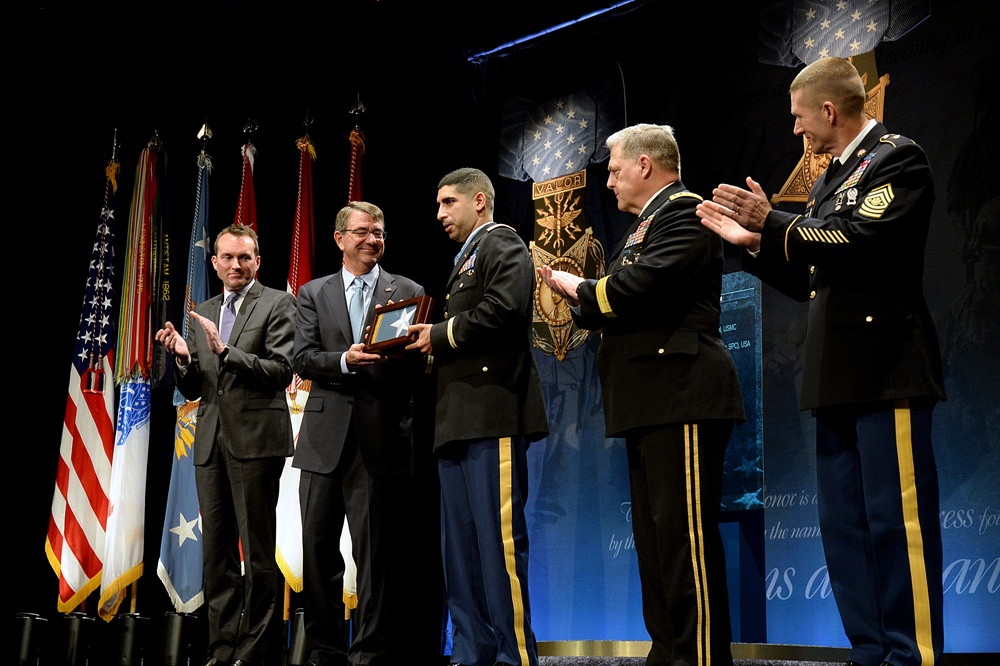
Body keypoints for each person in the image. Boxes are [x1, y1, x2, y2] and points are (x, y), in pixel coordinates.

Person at [695, 56, 946, 666]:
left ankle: (911, 656)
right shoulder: (830, 178)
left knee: (896, 524)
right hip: (835, 373)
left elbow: (860, 238)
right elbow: (814, 272)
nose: (796, 129)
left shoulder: (896, 157)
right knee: (846, 530)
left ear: (828, 110)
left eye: (799, 117)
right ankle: (869, 651)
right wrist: (753, 243)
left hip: (887, 369)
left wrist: (774, 221)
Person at [537, 123, 746, 666]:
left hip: (683, 391)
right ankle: (669, 649)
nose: (608, 183)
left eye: (614, 170)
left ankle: (699, 656)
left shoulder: (685, 210)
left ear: (645, 165)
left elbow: (641, 287)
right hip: (650, 397)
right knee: (655, 539)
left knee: (683, 538)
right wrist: (578, 295)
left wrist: (577, 287)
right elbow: (619, 301)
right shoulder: (644, 225)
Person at [407, 167, 549, 666]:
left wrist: (440, 334)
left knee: (499, 549)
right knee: (461, 556)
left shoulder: (500, 242)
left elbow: (505, 308)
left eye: (449, 203)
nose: (440, 214)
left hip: (493, 415)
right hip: (457, 421)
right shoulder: (464, 258)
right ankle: (472, 654)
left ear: (480, 201)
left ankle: (516, 658)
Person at [291, 201, 431, 666]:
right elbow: (303, 357)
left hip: (380, 438)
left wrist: (398, 357)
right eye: (363, 232)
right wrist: (346, 360)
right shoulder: (312, 293)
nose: (373, 239)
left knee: (376, 559)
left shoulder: (407, 290)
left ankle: (370, 652)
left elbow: (417, 367)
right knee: (318, 553)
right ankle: (326, 651)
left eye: (379, 232)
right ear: (339, 239)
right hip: (323, 442)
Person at [156, 223, 296, 666]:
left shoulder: (279, 303)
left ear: (258, 261)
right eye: (228, 258)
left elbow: (280, 369)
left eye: (245, 258)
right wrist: (183, 358)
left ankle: (254, 654)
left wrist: (224, 352)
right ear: (214, 262)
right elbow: (197, 384)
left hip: (257, 443)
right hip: (210, 444)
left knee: (256, 556)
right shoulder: (206, 310)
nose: (236, 265)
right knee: (216, 556)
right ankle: (221, 650)